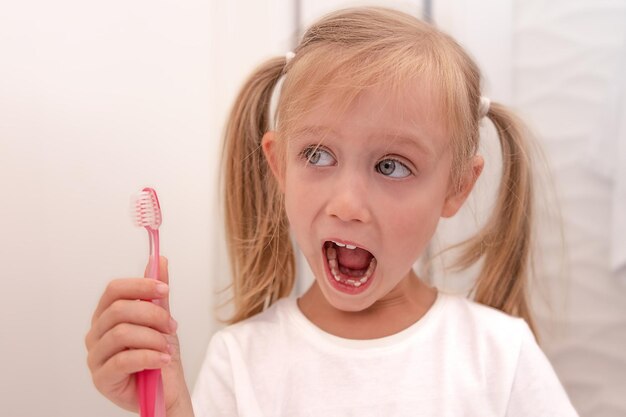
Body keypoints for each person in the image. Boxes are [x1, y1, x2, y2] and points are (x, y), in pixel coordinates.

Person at [85, 6, 580, 416]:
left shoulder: (500, 355)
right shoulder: (240, 361)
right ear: (279, 164)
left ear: (457, 187)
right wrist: (169, 409)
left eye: (391, 165)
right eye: (318, 156)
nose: (347, 205)